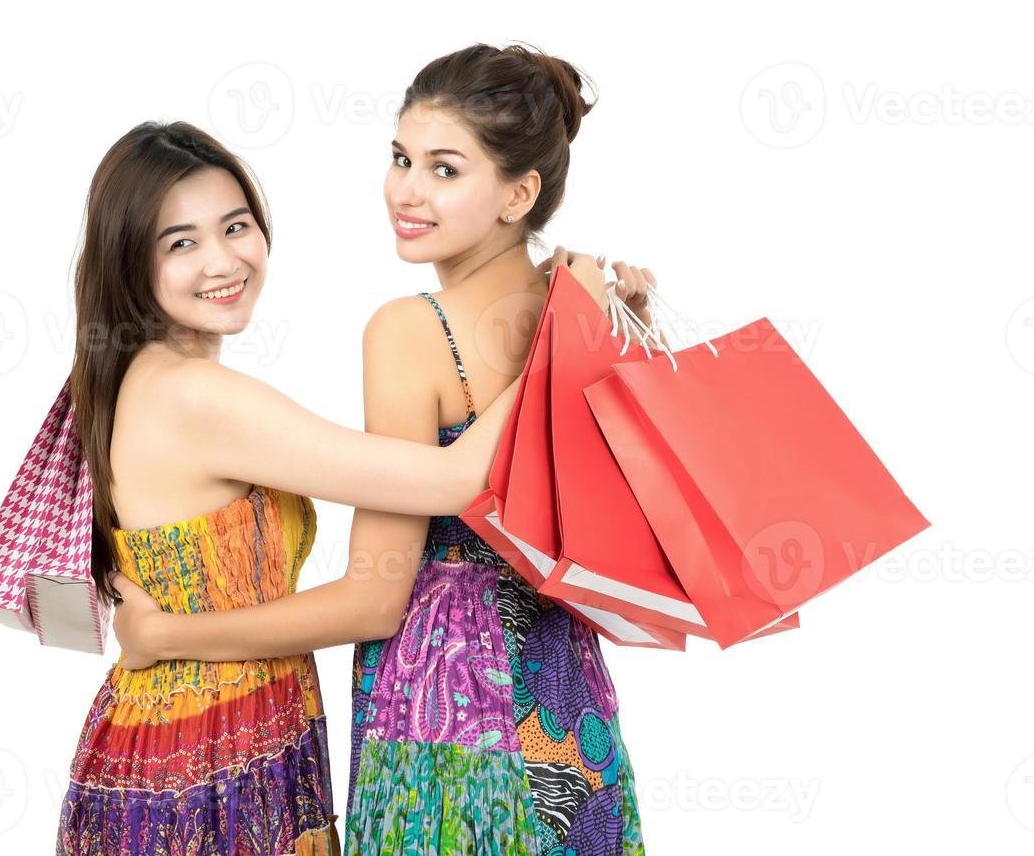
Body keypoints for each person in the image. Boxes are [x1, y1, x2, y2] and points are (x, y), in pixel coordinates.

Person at [113, 45, 655, 854]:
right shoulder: (589, 310)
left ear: (520, 192)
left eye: (444, 169)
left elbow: (376, 598)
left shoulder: (411, 332)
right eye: (400, 158)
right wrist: (586, 329)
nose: (404, 190)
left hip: (442, 718)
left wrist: (166, 636)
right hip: (566, 705)